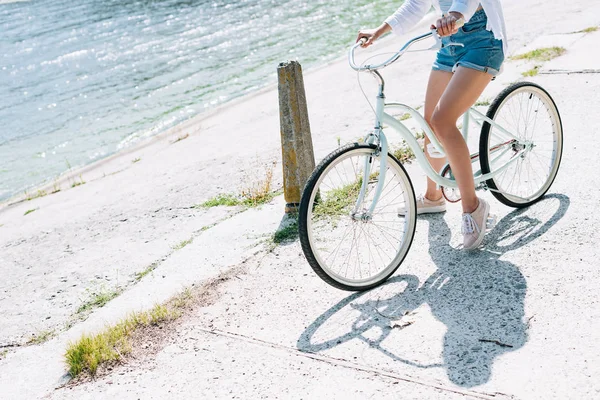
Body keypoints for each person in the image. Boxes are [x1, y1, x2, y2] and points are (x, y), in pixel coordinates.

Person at [356, 0, 507, 250]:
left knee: (442, 120)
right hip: (449, 43)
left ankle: (473, 207)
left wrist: (455, 15)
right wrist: (379, 31)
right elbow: (416, 4)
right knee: (430, 123)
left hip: (482, 40)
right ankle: (433, 197)